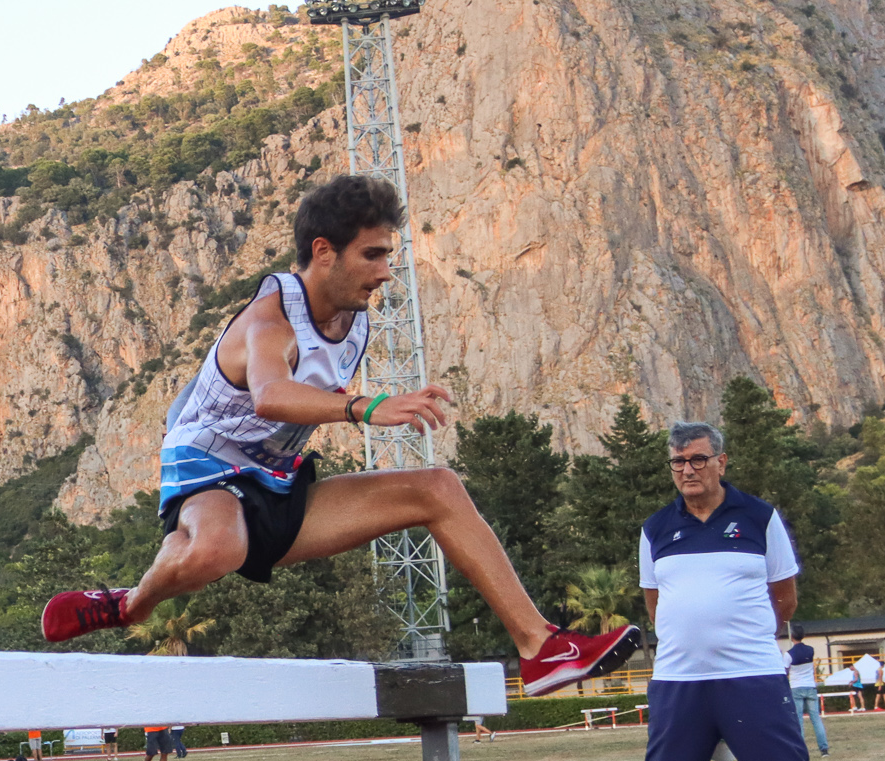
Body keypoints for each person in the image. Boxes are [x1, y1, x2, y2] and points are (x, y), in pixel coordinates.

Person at [37, 175, 639, 696]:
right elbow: (270, 394)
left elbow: (298, 404)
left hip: (276, 479)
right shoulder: (269, 319)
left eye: (388, 255)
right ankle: (129, 606)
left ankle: (541, 649)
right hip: (207, 464)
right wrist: (366, 406)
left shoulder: (355, 323)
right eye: (372, 255)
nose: (386, 272)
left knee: (438, 487)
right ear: (324, 252)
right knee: (216, 548)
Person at [605, 420, 871, 761]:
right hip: (678, 683)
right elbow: (656, 605)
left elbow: (784, 599)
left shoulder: (759, 517)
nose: (688, 470)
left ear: (721, 462)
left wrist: (740, 639)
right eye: (678, 462)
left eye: (698, 459)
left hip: (751, 679)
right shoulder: (656, 528)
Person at [784, 624, 828, 756]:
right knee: (816, 719)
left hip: (796, 687)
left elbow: (785, 672)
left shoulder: (789, 654)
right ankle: (824, 749)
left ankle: (801, 750)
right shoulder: (810, 650)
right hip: (810, 686)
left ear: (792, 636)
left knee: (798, 721)